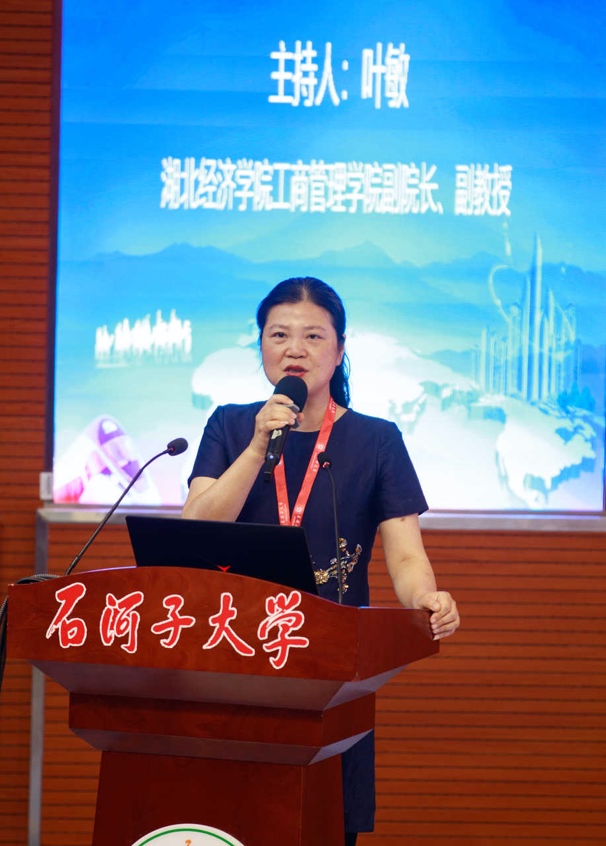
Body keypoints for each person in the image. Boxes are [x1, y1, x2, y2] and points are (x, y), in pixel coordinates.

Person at [183, 276, 460, 845]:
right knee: (229, 820)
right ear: (261, 345)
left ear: (339, 350)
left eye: (313, 336)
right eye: (279, 334)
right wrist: (258, 446)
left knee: (326, 821)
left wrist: (425, 597)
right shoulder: (230, 425)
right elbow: (196, 528)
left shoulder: (376, 440)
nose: (295, 349)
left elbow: (406, 554)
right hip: (235, 657)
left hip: (331, 670)